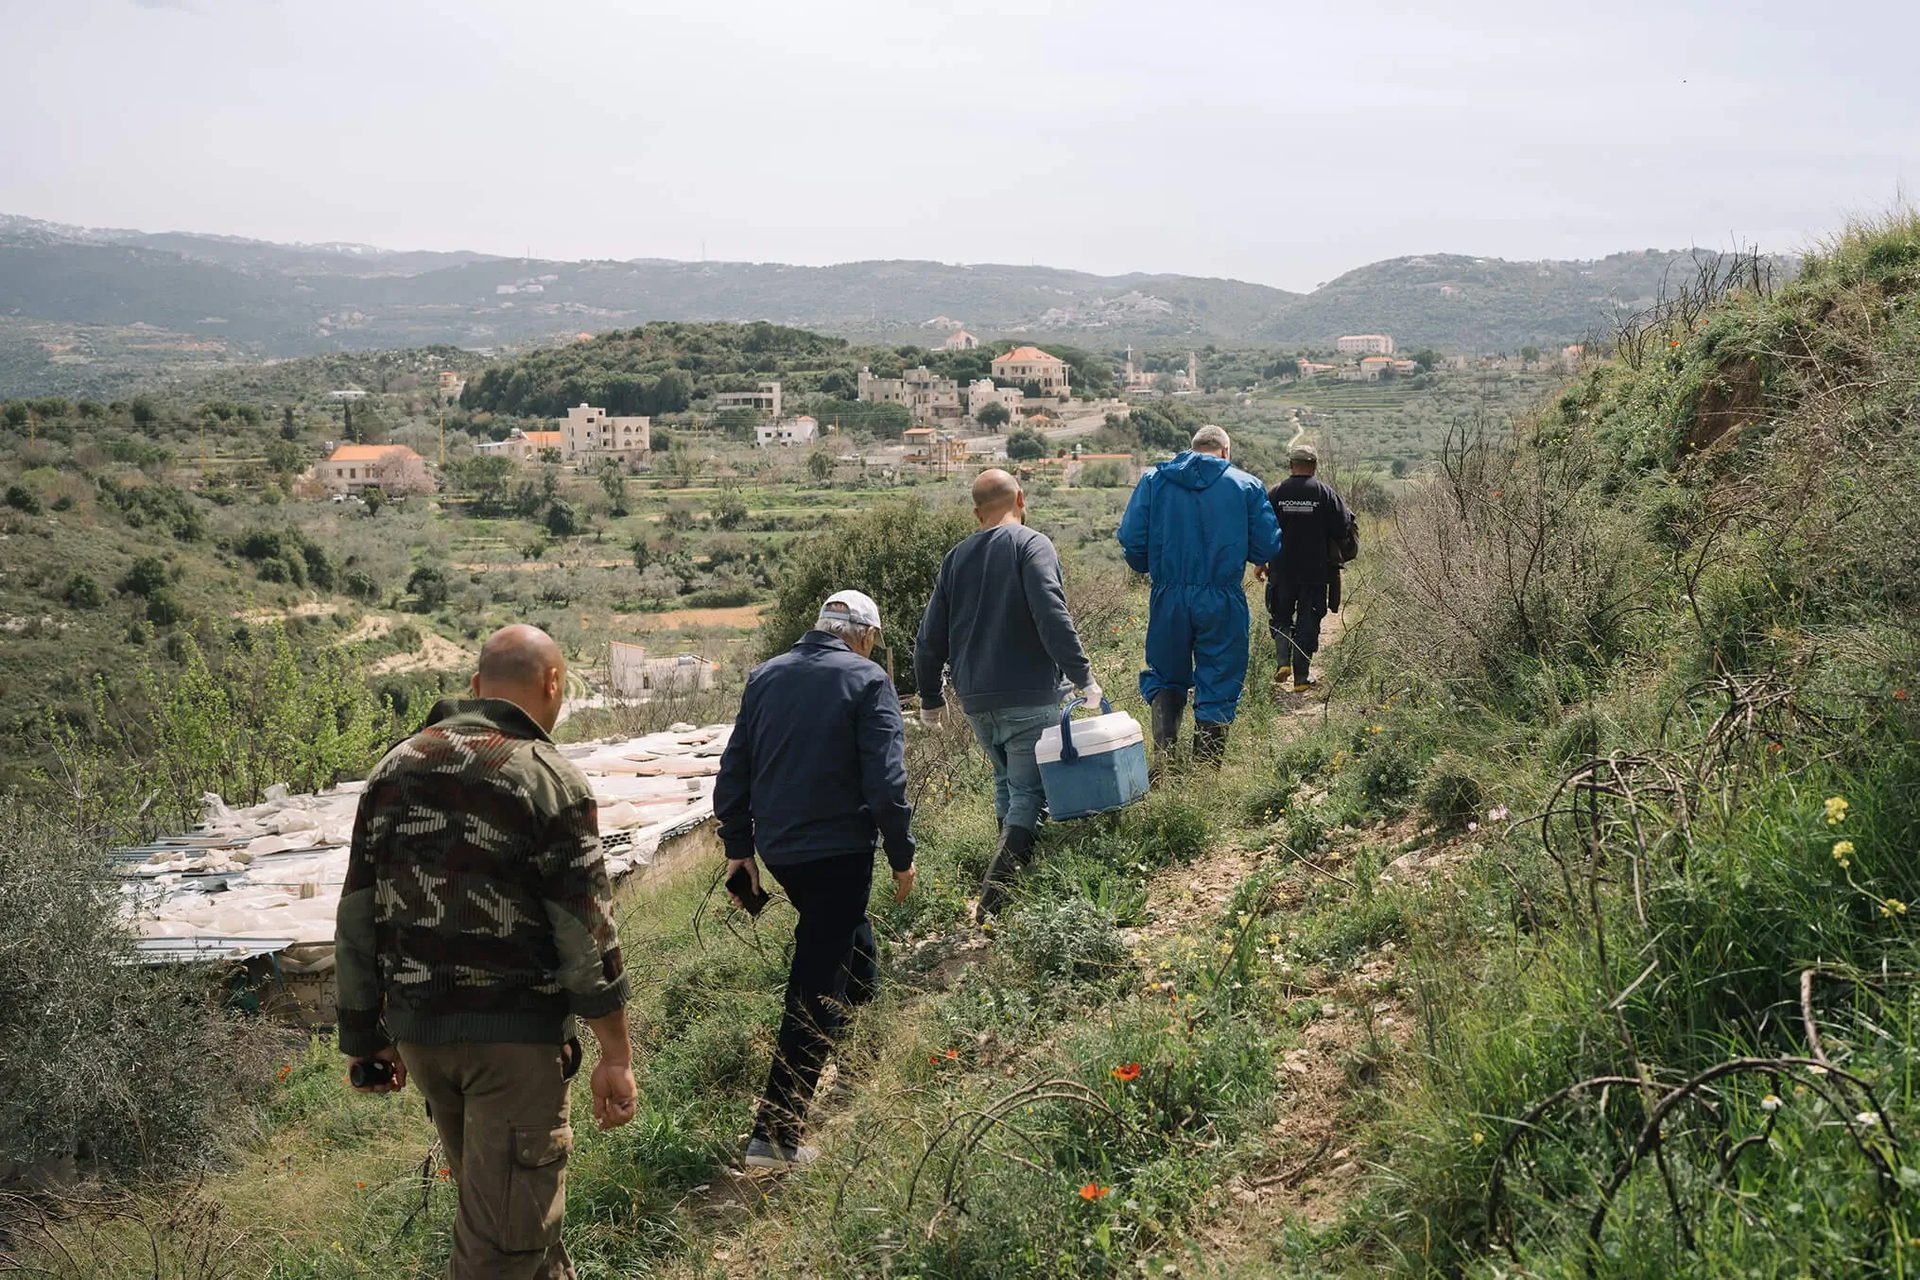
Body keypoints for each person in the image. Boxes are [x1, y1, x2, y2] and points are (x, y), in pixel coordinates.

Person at [336, 624, 635, 1280]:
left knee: (518, 1226)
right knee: (501, 1249)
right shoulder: (545, 775)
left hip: (422, 1039)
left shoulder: (391, 768)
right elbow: (586, 932)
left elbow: (358, 912)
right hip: (512, 1045)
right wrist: (615, 1052)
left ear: (475, 687)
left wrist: (365, 1036)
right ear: (553, 684)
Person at [715, 590, 915, 1170]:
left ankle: (868, 1052)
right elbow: (886, 783)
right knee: (816, 981)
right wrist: (902, 854)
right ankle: (775, 1136)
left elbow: (735, 767)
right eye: (872, 641)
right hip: (840, 850)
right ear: (863, 634)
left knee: (849, 936)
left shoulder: (765, 677)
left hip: (781, 851)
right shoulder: (868, 681)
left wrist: (739, 849)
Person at [915, 469, 1100, 920]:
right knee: (1030, 795)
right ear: (1021, 497)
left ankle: (1012, 895)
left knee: (1007, 786)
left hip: (976, 701)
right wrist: (1084, 677)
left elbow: (928, 638)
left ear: (977, 513)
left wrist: (930, 699)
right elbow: (1050, 612)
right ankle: (995, 901)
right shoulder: (1031, 544)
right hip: (1029, 696)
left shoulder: (955, 558)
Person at [1116, 425, 1281, 768]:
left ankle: (1164, 759)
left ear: (1192, 449)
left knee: (1165, 672)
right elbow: (1267, 545)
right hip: (1221, 597)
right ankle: (1205, 773)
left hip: (1168, 595)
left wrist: (1152, 567)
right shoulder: (1245, 485)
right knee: (1219, 674)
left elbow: (1132, 540)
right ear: (1225, 451)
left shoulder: (1154, 481)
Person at [1256, 442, 1356, 692]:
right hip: (1316, 571)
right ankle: (1301, 678)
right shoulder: (1324, 493)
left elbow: (1262, 529)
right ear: (1314, 466)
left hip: (1281, 569)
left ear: (1291, 465)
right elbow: (1343, 527)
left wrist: (1260, 561)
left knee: (1280, 615)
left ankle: (1282, 662)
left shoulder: (1276, 492)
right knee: (1308, 620)